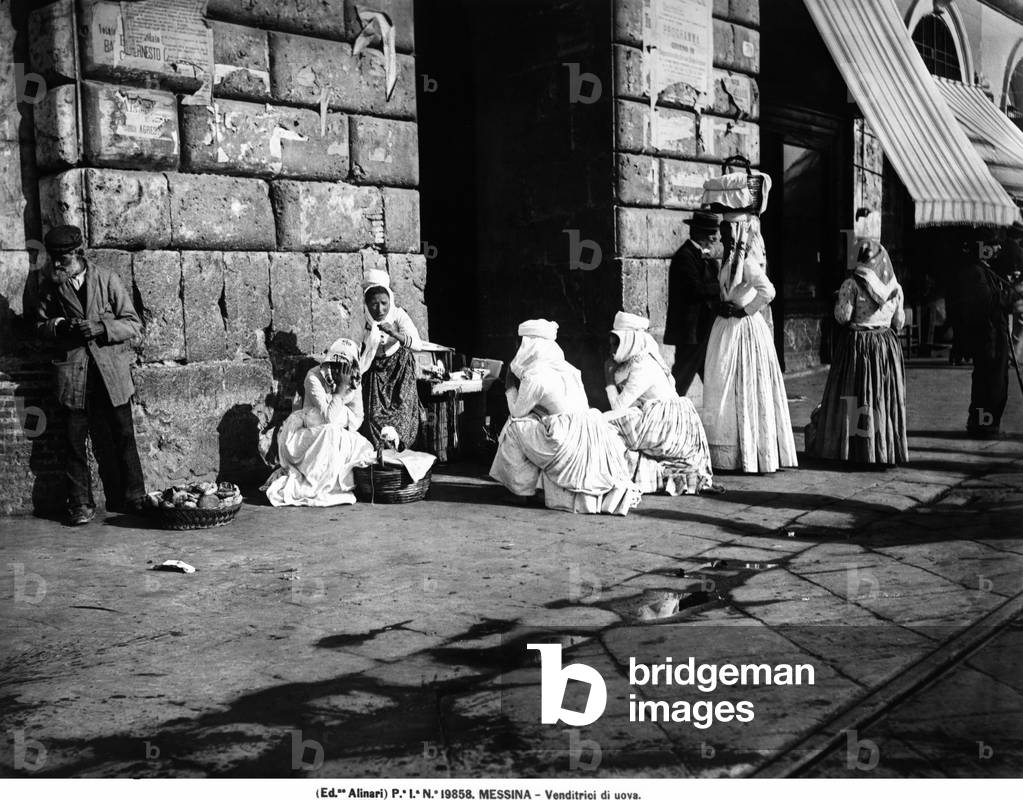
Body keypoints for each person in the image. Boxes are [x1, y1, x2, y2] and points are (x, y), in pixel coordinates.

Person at [33, 224, 146, 525]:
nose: (57, 265)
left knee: (123, 436)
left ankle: (134, 497)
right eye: (53, 258)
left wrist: (102, 328)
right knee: (73, 441)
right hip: (74, 376)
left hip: (111, 373)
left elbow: (133, 324)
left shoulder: (107, 279)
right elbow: (40, 326)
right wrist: (59, 326)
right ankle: (80, 503)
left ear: (78, 254)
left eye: (63, 259)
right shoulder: (50, 286)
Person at [489, 319, 641, 515]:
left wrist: (509, 386)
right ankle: (536, 486)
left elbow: (517, 412)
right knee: (532, 421)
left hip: (565, 439)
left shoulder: (535, 375)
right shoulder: (569, 369)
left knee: (515, 426)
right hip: (588, 432)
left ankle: (519, 491)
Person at [701, 215, 798, 473]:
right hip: (725, 329)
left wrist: (746, 311)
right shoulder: (732, 260)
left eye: (726, 234)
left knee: (743, 387)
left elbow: (768, 291)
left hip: (743, 330)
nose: (722, 239)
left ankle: (748, 452)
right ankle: (724, 451)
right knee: (720, 385)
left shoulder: (748, 262)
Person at [806, 240, 908, 466]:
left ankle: (856, 449)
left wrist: (839, 301)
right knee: (880, 396)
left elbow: (843, 316)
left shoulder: (851, 285)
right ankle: (881, 448)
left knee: (857, 393)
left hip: (859, 345)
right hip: (884, 346)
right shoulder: (895, 288)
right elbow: (899, 323)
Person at [603, 311, 716, 495]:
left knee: (607, 426)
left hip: (668, 424)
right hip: (657, 416)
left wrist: (608, 380)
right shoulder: (634, 361)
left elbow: (618, 407)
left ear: (630, 343)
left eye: (616, 345)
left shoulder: (643, 366)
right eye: (611, 345)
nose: (612, 351)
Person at [262, 338, 375, 506]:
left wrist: (342, 411)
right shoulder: (314, 377)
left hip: (338, 428)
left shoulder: (354, 380)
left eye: (344, 368)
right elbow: (327, 417)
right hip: (309, 431)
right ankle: (316, 483)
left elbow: (357, 417)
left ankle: (333, 483)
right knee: (328, 430)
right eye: (335, 366)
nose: (338, 372)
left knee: (360, 446)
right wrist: (340, 391)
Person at [948, 228, 1015, 437]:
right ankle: (983, 426)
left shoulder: (984, 269)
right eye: (994, 244)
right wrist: (1013, 294)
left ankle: (986, 424)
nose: (998, 248)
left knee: (995, 381)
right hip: (988, 337)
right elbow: (987, 303)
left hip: (994, 336)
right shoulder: (973, 272)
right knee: (990, 383)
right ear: (983, 247)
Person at [358, 269, 424, 449]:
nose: (379, 309)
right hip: (373, 370)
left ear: (390, 301)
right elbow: (355, 346)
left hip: (399, 369)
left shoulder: (398, 314)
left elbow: (417, 344)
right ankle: (381, 454)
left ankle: (400, 449)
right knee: (372, 416)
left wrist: (395, 334)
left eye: (383, 303)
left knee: (402, 410)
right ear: (366, 303)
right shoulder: (361, 319)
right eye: (374, 304)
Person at [664, 210, 723, 395]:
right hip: (691, 331)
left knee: (712, 379)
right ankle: (665, 414)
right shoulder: (684, 257)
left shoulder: (705, 256)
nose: (716, 238)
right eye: (712, 233)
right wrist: (722, 288)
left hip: (704, 329)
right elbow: (695, 289)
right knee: (681, 378)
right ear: (700, 234)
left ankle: (724, 416)